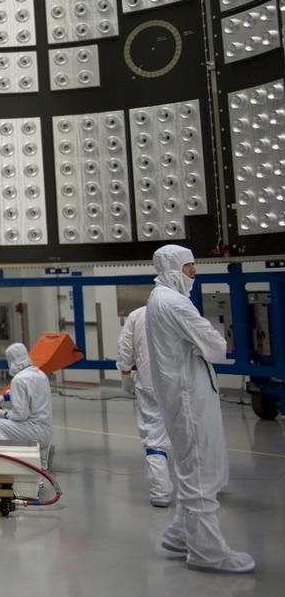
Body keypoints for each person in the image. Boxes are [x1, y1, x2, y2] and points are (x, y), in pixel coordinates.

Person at [145, 244, 253, 574]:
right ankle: (207, 551)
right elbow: (218, 346)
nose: (194, 272)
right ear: (173, 269)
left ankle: (180, 534)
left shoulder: (158, 299)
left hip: (185, 394)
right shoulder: (174, 303)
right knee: (201, 472)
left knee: (198, 465)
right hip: (188, 397)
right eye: (189, 266)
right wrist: (205, 343)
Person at [117, 304, 174, 507]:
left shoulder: (137, 314)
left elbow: (125, 348)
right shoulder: (181, 308)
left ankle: (161, 494)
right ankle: (200, 490)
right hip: (182, 382)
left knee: (155, 438)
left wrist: (125, 375)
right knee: (192, 437)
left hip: (150, 382)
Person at [0, 343, 54, 469]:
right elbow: (30, 394)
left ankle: (9, 457)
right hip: (46, 433)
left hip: (33, 433)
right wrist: (4, 397)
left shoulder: (18, 380)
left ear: (12, 360)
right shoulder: (40, 374)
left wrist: (4, 414)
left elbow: (20, 415)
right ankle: (41, 461)